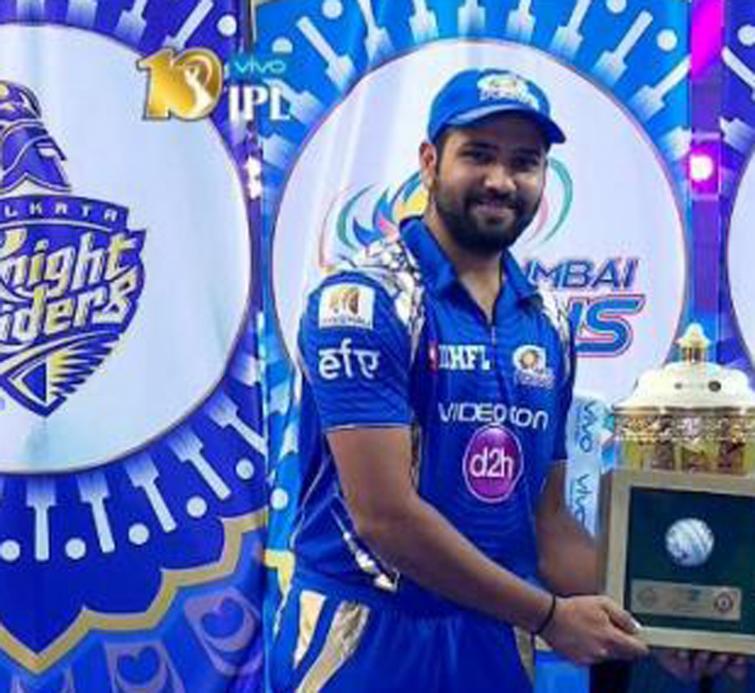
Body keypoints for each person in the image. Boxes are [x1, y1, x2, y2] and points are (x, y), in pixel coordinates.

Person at [270, 68, 648, 692]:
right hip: (365, 637)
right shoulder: (364, 301)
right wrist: (549, 617)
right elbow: (385, 519)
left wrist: (669, 627)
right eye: (478, 155)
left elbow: (548, 526)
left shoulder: (548, 321)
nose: (501, 180)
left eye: (524, 162)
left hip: (493, 637)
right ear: (429, 162)